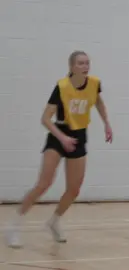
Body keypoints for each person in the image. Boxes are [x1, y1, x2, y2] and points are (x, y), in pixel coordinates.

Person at [5, 51, 113, 248]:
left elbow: (98, 102)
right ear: (72, 67)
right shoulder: (62, 87)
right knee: (43, 184)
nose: (85, 66)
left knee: (74, 189)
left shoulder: (95, 83)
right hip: (58, 135)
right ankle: (15, 225)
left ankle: (53, 222)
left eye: (87, 63)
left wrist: (106, 123)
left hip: (79, 137)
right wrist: (62, 137)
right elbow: (45, 118)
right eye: (80, 63)